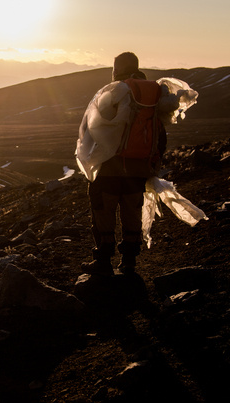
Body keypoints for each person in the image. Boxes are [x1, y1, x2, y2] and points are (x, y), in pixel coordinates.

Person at [80, 52, 167, 276]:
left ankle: (104, 261)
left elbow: (95, 128)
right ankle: (129, 261)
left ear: (117, 69)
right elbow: (160, 133)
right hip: (138, 168)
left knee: (103, 212)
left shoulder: (115, 91)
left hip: (110, 168)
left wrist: (90, 158)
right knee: (132, 212)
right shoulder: (151, 95)